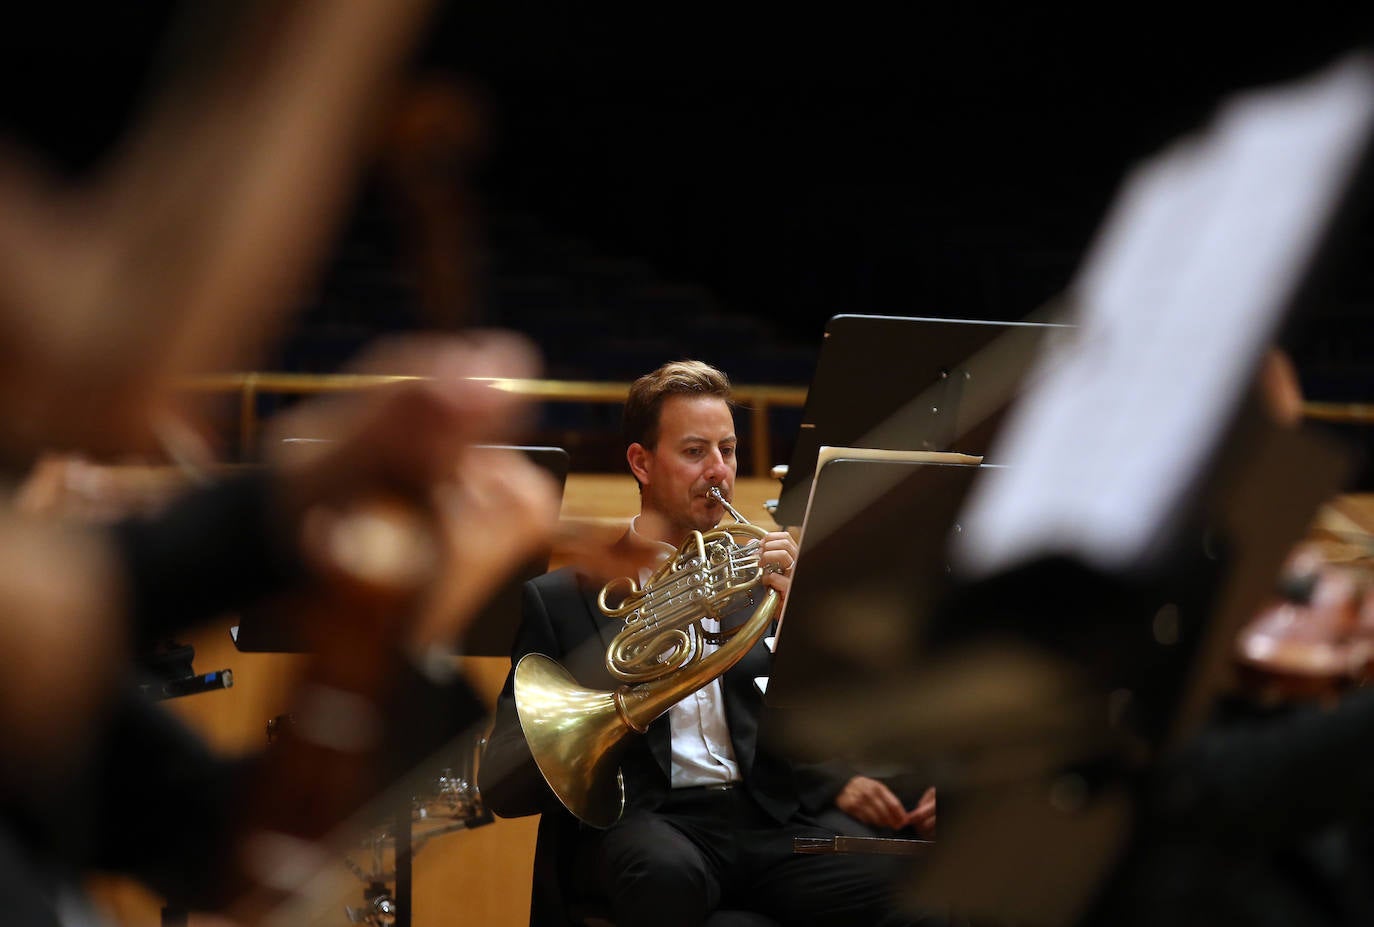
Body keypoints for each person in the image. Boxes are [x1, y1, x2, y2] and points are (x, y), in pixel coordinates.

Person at [482, 359, 936, 927]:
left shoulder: (759, 582)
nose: (718, 471)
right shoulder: (563, 598)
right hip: (647, 819)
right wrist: (616, 707)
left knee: (918, 890)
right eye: (695, 452)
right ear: (641, 463)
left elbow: (830, 720)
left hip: (763, 819)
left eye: (728, 450)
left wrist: (799, 625)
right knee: (664, 878)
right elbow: (504, 781)